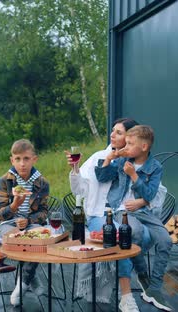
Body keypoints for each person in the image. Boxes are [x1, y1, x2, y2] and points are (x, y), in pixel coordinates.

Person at [66, 118, 166, 310]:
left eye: (119, 133)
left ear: (131, 138)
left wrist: (143, 201)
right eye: (113, 131)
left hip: (128, 215)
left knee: (143, 235)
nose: (112, 135)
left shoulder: (138, 162)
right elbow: (79, 189)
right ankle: (126, 295)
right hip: (100, 215)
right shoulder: (99, 157)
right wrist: (75, 168)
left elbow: (158, 193)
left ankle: (131, 271)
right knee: (122, 236)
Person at [96, 125, 173, 311]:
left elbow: (150, 194)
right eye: (127, 143)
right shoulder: (122, 160)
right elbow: (102, 176)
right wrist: (109, 158)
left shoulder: (155, 167)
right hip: (121, 211)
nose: (126, 146)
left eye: (130, 143)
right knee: (134, 232)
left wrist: (134, 176)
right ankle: (142, 273)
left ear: (144, 147)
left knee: (166, 240)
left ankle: (154, 288)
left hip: (145, 213)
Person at [0, 139, 49, 306]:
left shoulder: (42, 183)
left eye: (26, 159)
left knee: (37, 239)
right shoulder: (4, 181)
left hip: (30, 221)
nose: (22, 164)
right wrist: (15, 205)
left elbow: (44, 212)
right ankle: (31, 275)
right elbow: (1, 214)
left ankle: (22, 283)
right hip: (8, 221)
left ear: (34, 159)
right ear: (12, 160)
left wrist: (29, 220)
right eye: (17, 159)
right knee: (14, 237)